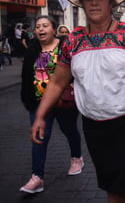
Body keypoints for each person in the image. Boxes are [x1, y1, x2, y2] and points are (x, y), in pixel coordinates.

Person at [30, 0, 125, 202]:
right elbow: (57, 82)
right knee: (112, 187)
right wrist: (40, 116)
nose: (94, 2)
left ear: (110, 1)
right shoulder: (73, 42)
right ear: (82, 3)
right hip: (94, 127)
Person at [20, 16, 84, 194]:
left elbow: (76, 68)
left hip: (63, 101)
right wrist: (27, 99)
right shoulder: (32, 50)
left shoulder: (65, 47)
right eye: (38, 26)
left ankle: (76, 158)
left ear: (53, 29)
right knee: (40, 137)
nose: (41, 29)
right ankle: (37, 177)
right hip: (39, 103)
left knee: (69, 130)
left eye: (45, 26)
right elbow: (26, 77)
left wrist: (73, 82)